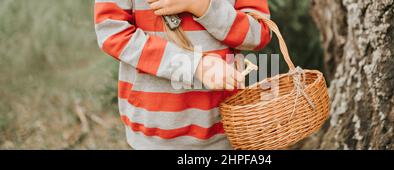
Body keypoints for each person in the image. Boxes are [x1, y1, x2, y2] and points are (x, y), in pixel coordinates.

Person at [94, 0, 271, 150]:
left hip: (223, 130)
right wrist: (194, 65)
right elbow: (112, 33)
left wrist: (202, 6)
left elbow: (260, 33)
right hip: (153, 135)